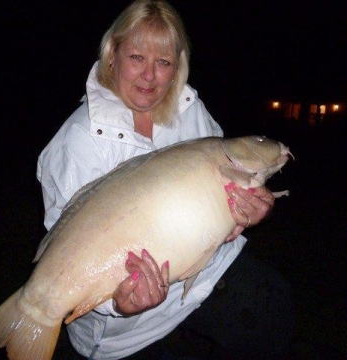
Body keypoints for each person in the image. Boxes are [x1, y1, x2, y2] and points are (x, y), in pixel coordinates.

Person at [37, 1, 293, 359]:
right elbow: (68, 253)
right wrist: (120, 303)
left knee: (272, 304)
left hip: (206, 272)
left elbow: (227, 199)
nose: (149, 76)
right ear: (113, 54)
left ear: (177, 68)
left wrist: (252, 210)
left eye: (163, 62)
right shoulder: (76, 142)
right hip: (127, 326)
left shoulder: (189, 109)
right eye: (137, 57)